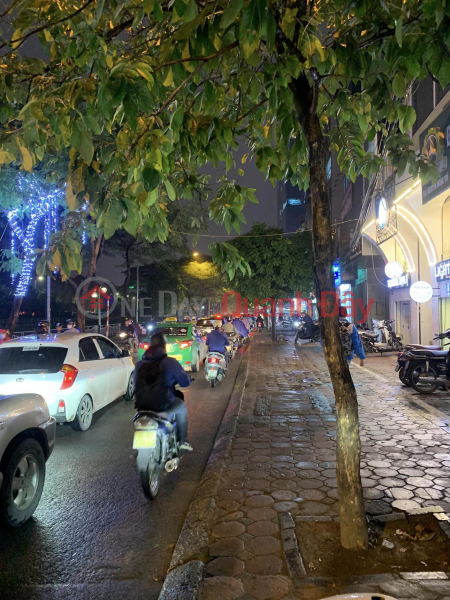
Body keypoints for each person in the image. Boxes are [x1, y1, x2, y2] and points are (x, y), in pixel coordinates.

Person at [133, 332, 193, 450]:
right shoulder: (170, 362)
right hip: (162, 405)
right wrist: (190, 380)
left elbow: (135, 385)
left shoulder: (139, 364)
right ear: (164, 346)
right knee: (181, 406)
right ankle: (182, 441)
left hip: (142, 406)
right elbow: (184, 382)